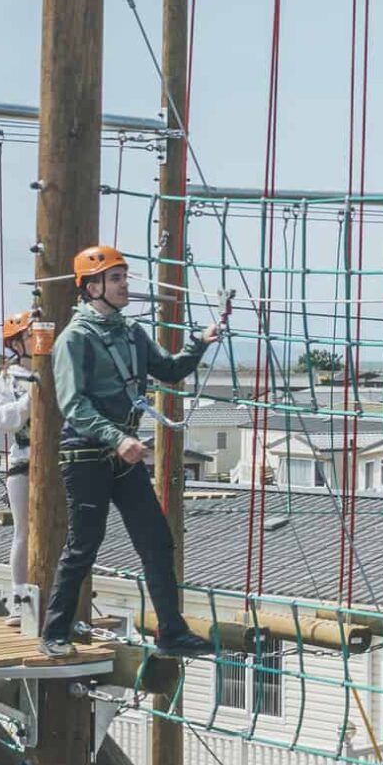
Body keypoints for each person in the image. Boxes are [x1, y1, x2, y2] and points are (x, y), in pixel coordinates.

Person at [43, 245, 230, 658]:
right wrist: (118, 438)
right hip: (87, 453)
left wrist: (199, 343)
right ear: (92, 287)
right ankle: (54, 630)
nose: (126, 284)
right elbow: (73, 405)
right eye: (116, 278)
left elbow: (169, 369)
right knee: (84, 544)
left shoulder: (130, 334)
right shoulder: (74, 339)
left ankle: (171, 631)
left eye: (124, 277)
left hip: (121, 453)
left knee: (156, 540)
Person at [0, 309, 38, 625]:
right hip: (23, 462)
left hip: (60, 461)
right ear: (18, 343)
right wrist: (26, 403)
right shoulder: (8, 378)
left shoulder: (58, 370)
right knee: (24, 530)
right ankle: (20, 598)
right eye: (31, 334)